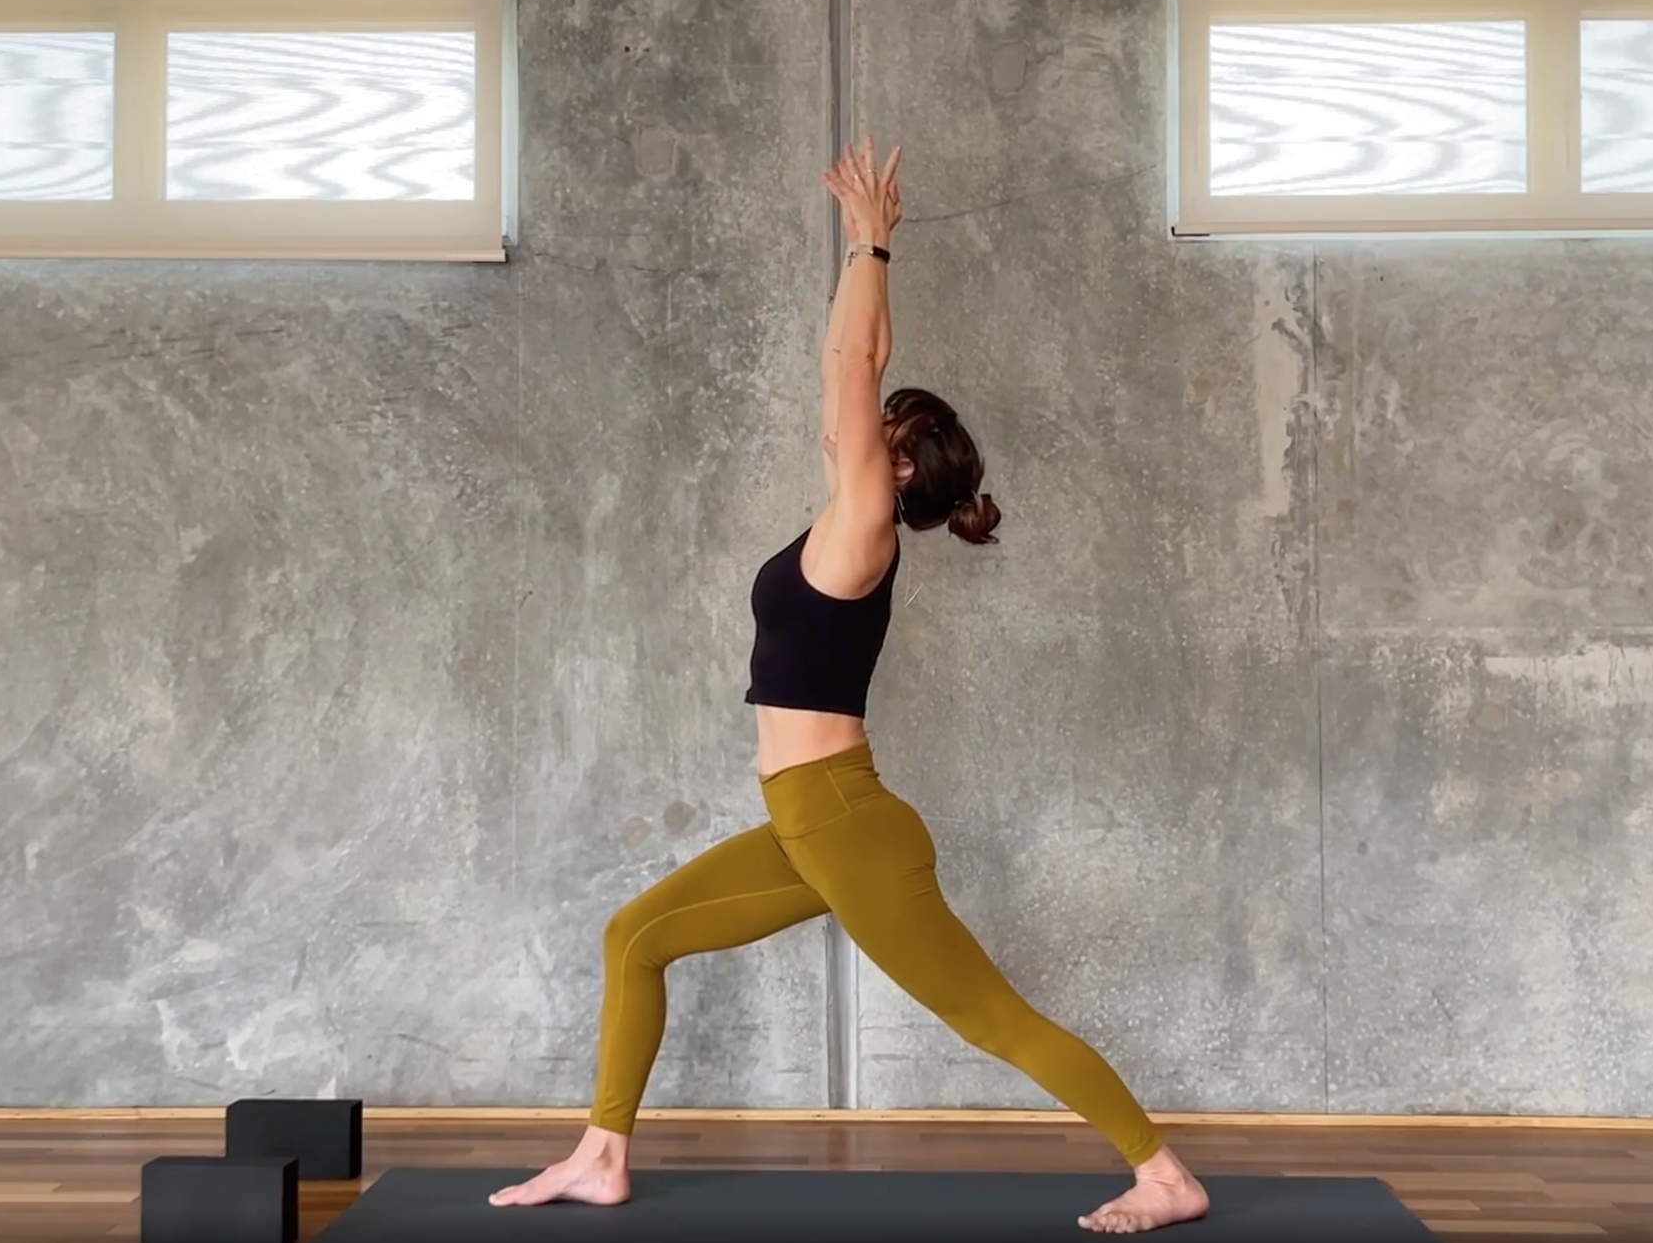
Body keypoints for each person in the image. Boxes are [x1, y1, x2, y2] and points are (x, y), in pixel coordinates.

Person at [490, 141, 1211, 1234]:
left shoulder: (864, 530)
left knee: (991, 1017)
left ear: (899, 468)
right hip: (807, 821)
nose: (850, 427)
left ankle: (1163, 1173)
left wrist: (870, 245)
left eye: (878, 429)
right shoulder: (835, 526)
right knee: (636, 937)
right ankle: (599, 1155)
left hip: (844, 823)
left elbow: (849, 360)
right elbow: (841, 388)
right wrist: (858, 288)